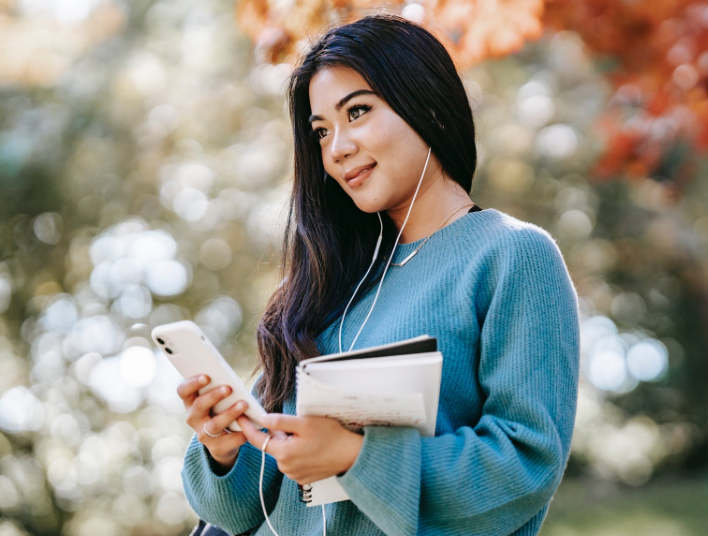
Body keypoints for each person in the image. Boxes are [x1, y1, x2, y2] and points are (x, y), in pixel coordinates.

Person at [175, 13, 580, 536]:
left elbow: (525, 467)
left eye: (358, 112)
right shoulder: (328, 284)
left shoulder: (512, 256)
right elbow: (235, 513)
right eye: (321, 132)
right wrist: (225, 448)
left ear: (427, 104)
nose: (336, 149)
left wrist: (354, 455)